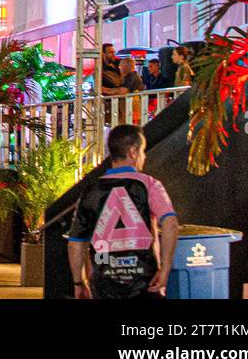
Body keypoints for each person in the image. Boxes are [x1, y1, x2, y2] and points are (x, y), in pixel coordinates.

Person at [67, 124, 179, 299]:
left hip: (104, 284)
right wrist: (165, 269)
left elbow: (75, 242)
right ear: (133, 151)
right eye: (142, 151)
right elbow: (170, 223)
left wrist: (79, 283)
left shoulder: (90, 191)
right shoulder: (149, 185)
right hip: (145, 283)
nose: (144, 156)